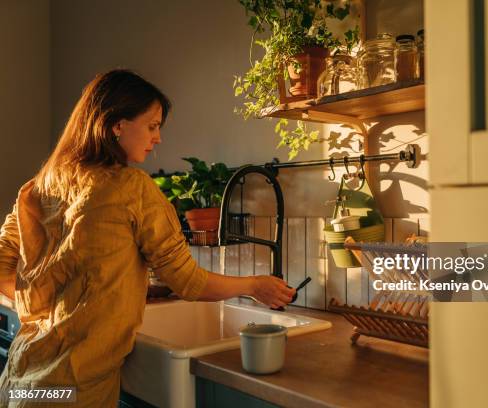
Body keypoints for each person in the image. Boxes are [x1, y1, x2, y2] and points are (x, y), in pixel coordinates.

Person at [0, 69, 295, 407]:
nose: (158, 139)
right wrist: (254, 285)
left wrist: (52, 304)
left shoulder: (40, 186)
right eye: (152, 126)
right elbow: (188, 282)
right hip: (73, 388)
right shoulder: (131, 188)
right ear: (117, 125)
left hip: (21, 377)